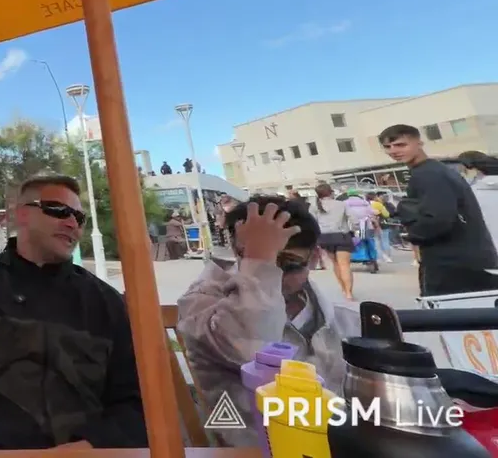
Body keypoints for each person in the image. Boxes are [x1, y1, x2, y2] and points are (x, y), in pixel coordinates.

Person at [0, 175, 147, 450]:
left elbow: (135, 401)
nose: (72, 223)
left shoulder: (105, 302)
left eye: (80, 218)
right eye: (59, 210)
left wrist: (91, 445)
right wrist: (31, 450)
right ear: (21, 214)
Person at [176, 196, 359, 447]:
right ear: (239, 252)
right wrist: (260, 262)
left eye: (289, 264)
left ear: (315, 258)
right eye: (258, 256)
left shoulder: (337, 317)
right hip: (255, 447)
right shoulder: (204, 304)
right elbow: (253, 347)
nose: (276, 275)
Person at [380, 124, 498, 296]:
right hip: (466, 260)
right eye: (388, 147)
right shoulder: (435, 170)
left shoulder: (428, 174)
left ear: (419, 143)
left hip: (452, 265)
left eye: (400, 145)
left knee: (448, 311)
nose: (393, 151)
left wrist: (411, 225)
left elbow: (438, 219)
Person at [312, 183, 355, 301]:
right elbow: (354, 219)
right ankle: (349, 293)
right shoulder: (341, 204)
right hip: (342, 235)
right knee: (344, 265)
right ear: (331, 192)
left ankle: (343, 288)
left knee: (335, 264)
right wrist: (354, 230)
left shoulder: (314, 207)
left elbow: (313, 223)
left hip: (325, 237)